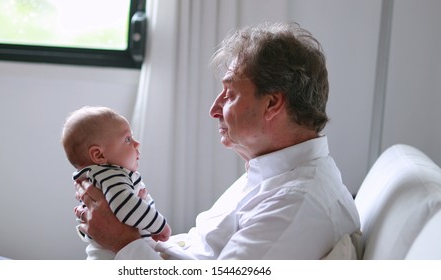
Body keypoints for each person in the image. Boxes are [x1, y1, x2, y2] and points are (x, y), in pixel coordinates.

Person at [74, 22, 361, 260]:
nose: (214, 109)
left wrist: (121, 240)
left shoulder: (296, 205)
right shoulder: (272, 171)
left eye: (230, 94)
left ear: (272, 103)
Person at [61, 106, 171, 259]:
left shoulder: (99, 176)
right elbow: (126, 205)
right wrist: (160, 226)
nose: (136, 143)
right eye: (127, 139)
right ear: (98, 155)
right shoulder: (112, 174)